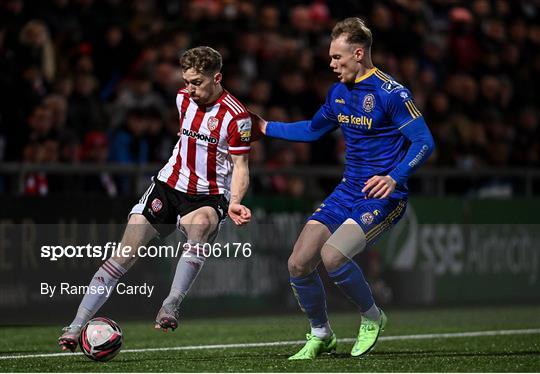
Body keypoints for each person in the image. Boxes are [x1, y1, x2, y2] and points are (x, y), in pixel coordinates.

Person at [253, 17, 435, 359]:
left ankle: (372, 317)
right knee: (298, 262)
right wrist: (264, 127)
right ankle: (321, 333)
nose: (332, 64)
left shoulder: (391, 93)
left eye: (337, 58)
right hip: (347, 190)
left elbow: (424, 141)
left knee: (333, 256)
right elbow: (311, 129)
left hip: (384, 196)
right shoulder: (338, 92)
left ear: (359, 53)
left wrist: (395, 176)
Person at [58, 46, 253, 351]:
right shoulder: (181, 99)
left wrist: (236, 200)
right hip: (167, 186)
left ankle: (171, 303)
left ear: (217, 78)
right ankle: (75, 326)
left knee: (199, 226)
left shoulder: (236, 117)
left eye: (197, 83)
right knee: (124, 254)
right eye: (186, 81)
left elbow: (241, 166)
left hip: (208, 195)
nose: (189, 89)